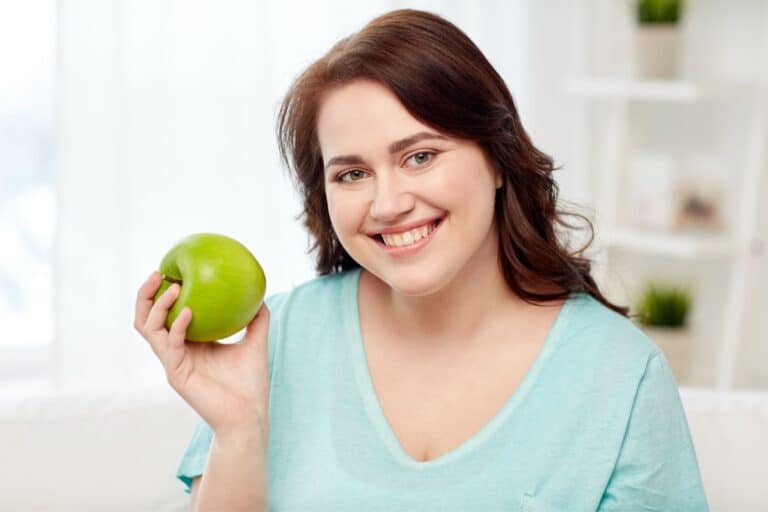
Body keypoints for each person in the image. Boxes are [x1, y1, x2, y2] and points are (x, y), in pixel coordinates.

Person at [134, 8, 709, 511]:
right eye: (352, 174)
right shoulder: (274, 342)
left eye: (420, 156)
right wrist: (238, 430)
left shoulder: (620, 374)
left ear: (498, 158)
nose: (388, 204)